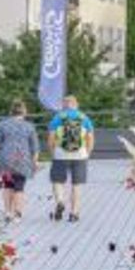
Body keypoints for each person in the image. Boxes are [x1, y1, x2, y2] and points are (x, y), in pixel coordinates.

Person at [0, 100, 39, 220]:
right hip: (22, 161)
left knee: (7, 186)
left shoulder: (3, 125)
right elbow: (35, 147)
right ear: (24, 112)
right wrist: (34, 162)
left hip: (5, 161)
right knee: (19, 187)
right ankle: (17, 214)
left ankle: (7, 212)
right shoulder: (29, 126)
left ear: (11, 111)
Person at [47, 95, 95, 223]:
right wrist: (88, 152)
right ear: (76, 104)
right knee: (76, 185)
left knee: (57, 181)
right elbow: (90, 138)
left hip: (60, 154)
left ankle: (60, 201)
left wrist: (53, 152)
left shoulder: (57, 118)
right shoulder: (84, 118)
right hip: (80, 154)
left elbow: (51, 139)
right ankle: (74, 213)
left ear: (64, 105)